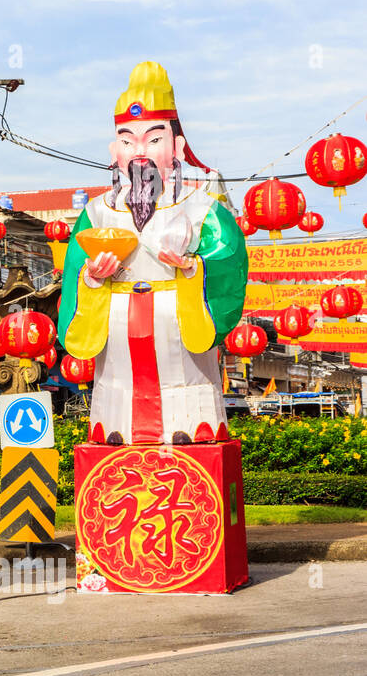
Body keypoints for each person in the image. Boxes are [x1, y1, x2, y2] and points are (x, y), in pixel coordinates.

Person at [58, 61, 247, 446]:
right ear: (114, 151)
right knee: (116, 405)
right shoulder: (96, 214)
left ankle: (194, 426)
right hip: (117, 346)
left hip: (179, 334)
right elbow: (74, 272)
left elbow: (230, 260)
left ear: (176, 147)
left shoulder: (203, 209)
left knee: (187, 401)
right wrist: (93, 277)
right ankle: (114, 427)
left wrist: (195, 270)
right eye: (127, 140)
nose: (139, 152)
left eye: (153, 139)